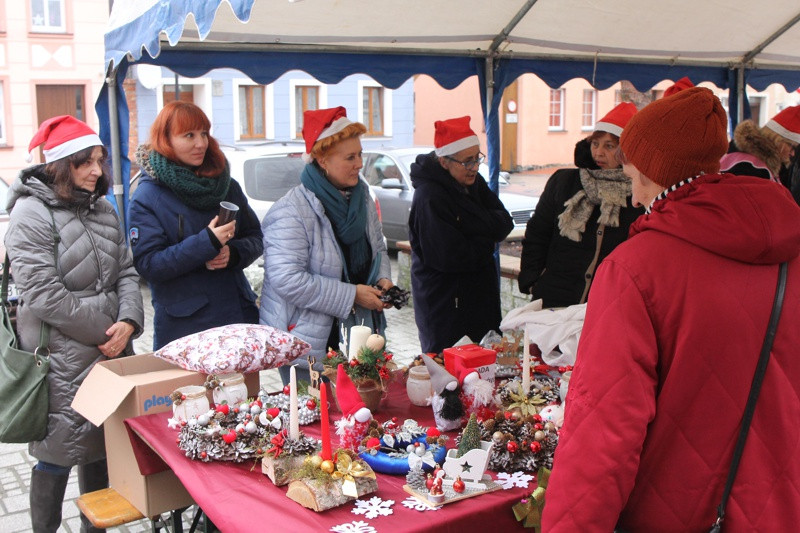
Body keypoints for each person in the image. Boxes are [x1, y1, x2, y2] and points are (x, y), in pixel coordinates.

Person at [542, 87, 800, 531]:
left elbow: (604, 430)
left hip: (681, 510)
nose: (636, 198)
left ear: (657, 173)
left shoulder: (634, 269)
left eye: (635, 177)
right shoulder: (790, 247)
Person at [5, 116, 144, 532]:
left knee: (101, 448)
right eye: (85, 162)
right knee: (56, 454)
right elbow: (43, 294)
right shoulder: (30, 213)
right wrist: (109, 332)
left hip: (108, 349)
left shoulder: (102, 207)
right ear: (59, 165)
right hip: (58, 361)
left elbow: (127, 272)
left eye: (100, 160)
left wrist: (130, 321)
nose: (97, 171)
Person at [259, 106, 392, 384]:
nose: (359, 164)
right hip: (309, 342)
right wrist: (352, 295)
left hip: (361, 334)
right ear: (322, 159)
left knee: (363, 417)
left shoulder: (363, 199)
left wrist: (383, 280)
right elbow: (287, 279)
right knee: (315, 422)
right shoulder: (290, 210)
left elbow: (378, 247)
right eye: (350, 157)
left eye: (360, 154)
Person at [128, 101, 262, 349]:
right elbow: (149, 265)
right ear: (166, 139)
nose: (201, 143)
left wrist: (233, 254)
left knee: (244, 389)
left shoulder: (225, 184)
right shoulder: (148, 196)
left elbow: (255, 236)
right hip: (186, 330)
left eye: (204, 133)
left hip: (236, 319)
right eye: (189, 135)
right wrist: (207, 242)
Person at [518, 103, 643, 308]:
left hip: (604, 305)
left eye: (609, 146)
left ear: (627, 150)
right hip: (553, 299)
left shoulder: (638, 193)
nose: (599, 153)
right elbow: (537, 233)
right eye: (595, 144)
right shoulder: (564, 181)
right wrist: (533, 281)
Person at [408, 116, 513, 353]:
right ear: (444, 161)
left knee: (486, 365)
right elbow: (450, 257)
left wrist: (468, 225)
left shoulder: (474, 182)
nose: (475, 167)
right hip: (445, 307)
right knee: (450, 376)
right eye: (467, 161)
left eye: (477, 158)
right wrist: (487, 240)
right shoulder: (429, 197)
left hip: (480, 299)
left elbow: (505, 222)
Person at [720, 105, 800, 185]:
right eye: (791, 146)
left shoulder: (761, 163)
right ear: (777, 139)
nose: (792, 153)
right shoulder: (750, 166)